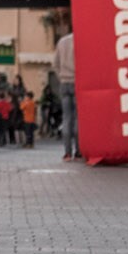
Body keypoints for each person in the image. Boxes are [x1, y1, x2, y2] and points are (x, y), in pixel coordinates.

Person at [54, 27, 79, 161]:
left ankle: (67, 152)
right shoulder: (80, 41)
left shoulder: (61, 42)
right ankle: (78, 151)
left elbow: (55, 64)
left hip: (64, 83)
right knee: (78, 118)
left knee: (67, 118)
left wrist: (62, 78)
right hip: (77, 82)